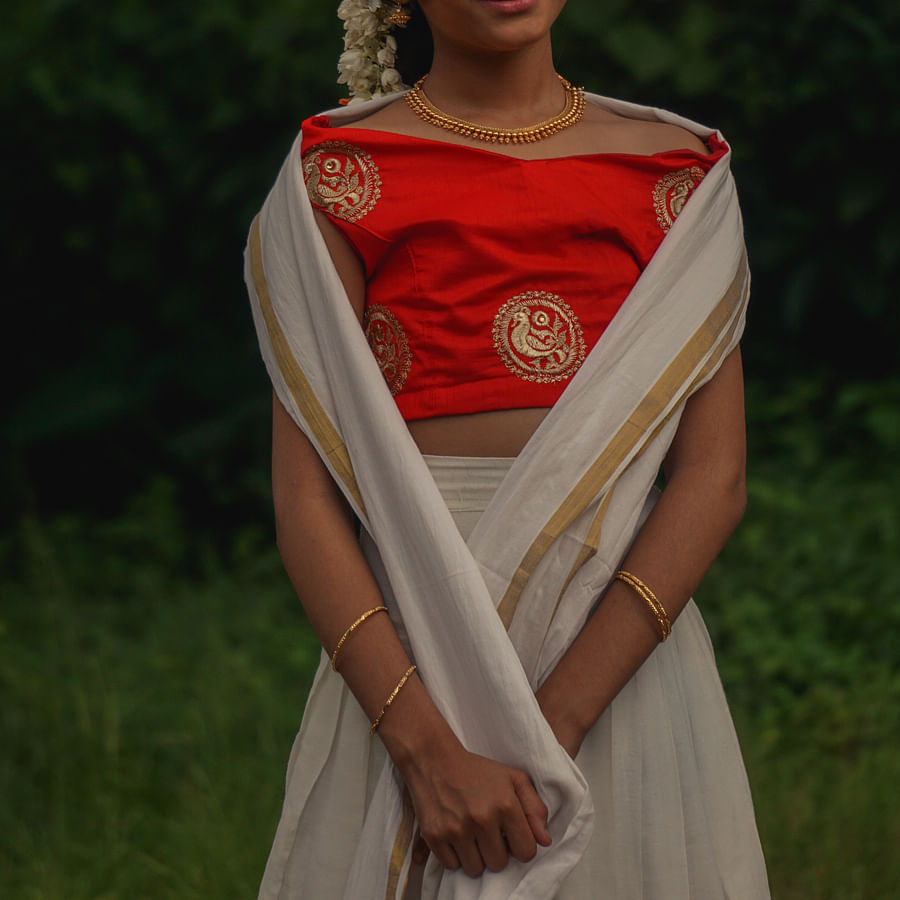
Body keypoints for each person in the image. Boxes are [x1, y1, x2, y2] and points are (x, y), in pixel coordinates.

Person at [244, 1, 770, 898]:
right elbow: (306, 502)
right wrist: (428, 750)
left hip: (618, 671)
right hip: (412, 657)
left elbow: (712, 479)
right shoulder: (335, 176)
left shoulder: (675, 171)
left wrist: (552, 725)